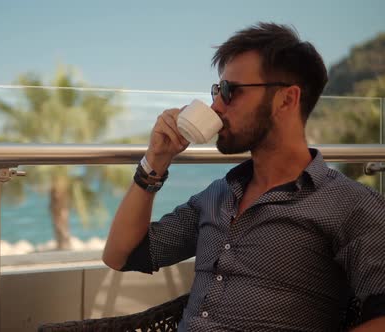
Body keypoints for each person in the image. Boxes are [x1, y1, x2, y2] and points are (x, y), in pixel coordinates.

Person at [102, 22, 385, 331]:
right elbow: (120, 255)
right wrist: (155, 160)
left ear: (286, 100)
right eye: (216, 90)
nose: (215, 106)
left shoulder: (350, 206)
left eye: (229, 91)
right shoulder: (218, 196)